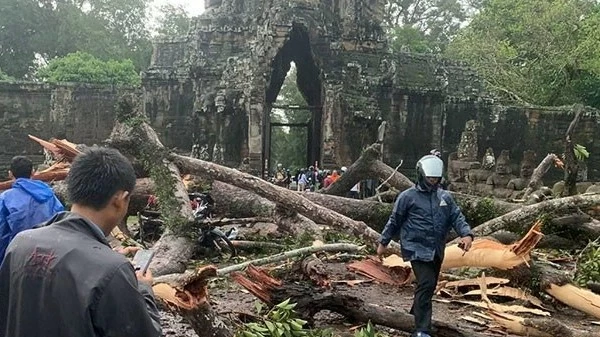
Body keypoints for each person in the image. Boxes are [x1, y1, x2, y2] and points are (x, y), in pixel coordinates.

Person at [0, 147, 161, 337]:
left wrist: (104, 255)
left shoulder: (19, 244)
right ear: (121, 199)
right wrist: (144, 289)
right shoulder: (113, 270)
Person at [377, 154, 474, 337]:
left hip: (437, 249)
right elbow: (394, 221)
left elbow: (457, 217)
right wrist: (383, 242)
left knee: (427, 285)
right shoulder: (407, 197)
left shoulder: (444, 197)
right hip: (415, 247)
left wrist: (467, 234)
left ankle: (414, 315)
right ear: (421, 175)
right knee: (427, 284)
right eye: (430, 178)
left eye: (436, 179)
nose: (433, 181)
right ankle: (422, 330)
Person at [0, 156, 64, 260]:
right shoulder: (50, 195)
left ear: (10, 173)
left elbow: (1, 232)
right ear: (33, 172)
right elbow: (60, 222)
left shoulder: (5, 198)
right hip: (47, 256)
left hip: (17, 256)